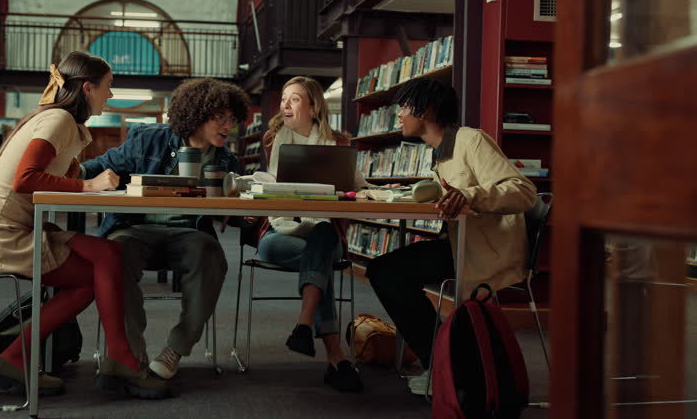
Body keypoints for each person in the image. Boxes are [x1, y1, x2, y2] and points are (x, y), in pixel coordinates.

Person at [0, 51, 170, 399]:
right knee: (94, 275)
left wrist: (82, 177)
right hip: (0, 236)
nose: (110, 95)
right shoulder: (58, 121)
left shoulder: (61, 121)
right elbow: (26, 179)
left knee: (108, 253)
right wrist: (88, 185)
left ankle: (103, 357)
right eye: (107, 87)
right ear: (87, 88)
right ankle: (112, 359)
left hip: (16, 226)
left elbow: (52, 172)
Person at [365, 78, 537, 395]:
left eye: (404, 107)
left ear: (427, 109)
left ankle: (443, 364)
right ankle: (445, 360)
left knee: (387, 272)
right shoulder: (440, 154)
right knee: (386, 270)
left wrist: (470, 195)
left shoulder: (471, 140)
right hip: (463, 246)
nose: (399, 115)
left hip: (486, 251)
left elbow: (524, 193)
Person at [80, 77, 251, 381]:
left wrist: (246, 215)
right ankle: (131, 354)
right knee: (114, 254)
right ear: (197, 114)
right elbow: (101, 165)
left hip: (189, 233)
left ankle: (175, 349)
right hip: (136, 228)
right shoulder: (149, 138)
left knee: (211, 254)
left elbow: (231, 211)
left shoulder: (227, 159)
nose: (228, 126)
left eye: (233, 119)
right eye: (219, 117)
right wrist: (70, 174)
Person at [255, 76, 366, 393]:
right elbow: (270, 184)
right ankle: (333, 355)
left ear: (314, 106)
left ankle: (311, 333)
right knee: (323, 256)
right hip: (279, 234)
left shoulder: (338, 143)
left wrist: (377, 192)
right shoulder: (275, 139)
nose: (285, 105)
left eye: (294, 99)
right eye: (283, 99)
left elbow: (356, 184)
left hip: (320, 234)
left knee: (321, 235)